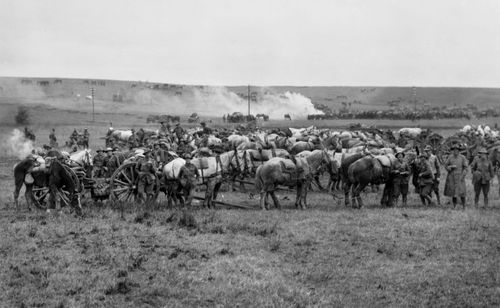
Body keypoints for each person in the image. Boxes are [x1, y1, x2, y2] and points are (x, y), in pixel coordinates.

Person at [444, 144, 468, 208]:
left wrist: (463, 175)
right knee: (453, 192)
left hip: (460, 176)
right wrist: (450, 167)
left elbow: (466, 168)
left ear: (459, 151)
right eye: (454, 150)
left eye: (457, 150)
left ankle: (464, 206)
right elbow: (445, 166)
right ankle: (454, 206)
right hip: (451, 176)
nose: (455, 151)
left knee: (462, 192)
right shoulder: (450, 157)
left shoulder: (462, 157)